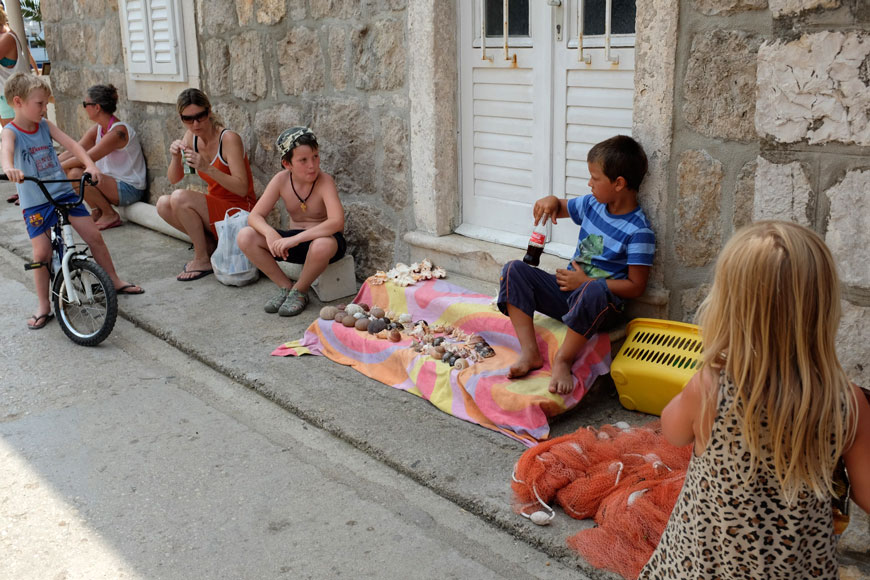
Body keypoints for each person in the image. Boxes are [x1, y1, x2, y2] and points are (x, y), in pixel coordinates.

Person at [638, 221, 870, 580]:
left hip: (705, 565)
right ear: (823, 308)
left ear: (729, 308)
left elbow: (673, 432)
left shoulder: (711, 387)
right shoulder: (848, 402)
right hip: (798, 568)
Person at [497, 135, 653, 395]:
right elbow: (559, 207)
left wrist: (588, 282)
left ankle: (563, 361)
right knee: (514, 270)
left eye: (595, 178)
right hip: (568, 292)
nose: (589, 183)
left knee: (593, 291)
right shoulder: (593, 205)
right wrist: (550, 201)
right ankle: (530, 352)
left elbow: (636, 286)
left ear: (619, 184)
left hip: (599, 306)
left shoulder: (639, 231)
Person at [1, 73, 143, 330]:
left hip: (63, 192)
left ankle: (113, 279)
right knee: (41, 252)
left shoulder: (44, 125)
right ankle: (44, 304)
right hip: (36, 201)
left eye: (46, 103)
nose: (45, 109)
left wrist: (90, 164)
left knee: (94, 236)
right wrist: (10, 168)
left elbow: (73, 146)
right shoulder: (11, 131)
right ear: (18, 102)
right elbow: (6, 151)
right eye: (40, 104)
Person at [237, 126, 345, 317]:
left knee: (321, 245)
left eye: (315, 157)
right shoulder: (281, 180)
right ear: (288, 164)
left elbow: (337, 222)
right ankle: (286, 287)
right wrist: (270, 234)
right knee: (245, 236)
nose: (312, 165)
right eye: (303, 160)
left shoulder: (324, 181)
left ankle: (300, 291)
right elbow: (254, 216)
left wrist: (295, 239)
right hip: (294, 243)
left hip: (326, 241)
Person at [158, 88, 257, 281]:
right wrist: (175, 157)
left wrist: (207, 167)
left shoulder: (228, 139)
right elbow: (174, 179)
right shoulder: (190, 137)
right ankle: (210, 246)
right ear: (181, 118)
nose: (195, 124)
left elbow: (242, 188)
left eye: (200, 116)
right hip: (216, 208)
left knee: (180, 197)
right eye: (188, 119)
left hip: (240, 211)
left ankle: (202, 258)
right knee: (163, 203)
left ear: (209, 111)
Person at [58, 84, 147, 231]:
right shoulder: (98, 129)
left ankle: (110, 214)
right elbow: (75, 151)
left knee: (76, 173)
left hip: (129, 189)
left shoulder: (118, 132)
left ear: (97, 107)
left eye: (85, 104)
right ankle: (98, 211)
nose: (84, 107)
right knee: (74, 172)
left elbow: (86, 158)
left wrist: (55, 168)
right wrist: (47, 165)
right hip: (110, 184)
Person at [0, 5, 38, 206]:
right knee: (14, 146)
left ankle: (32, 187)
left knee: (28, 144)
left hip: (21, 97)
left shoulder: (7, 38)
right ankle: (22, 187)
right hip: (8, 98)